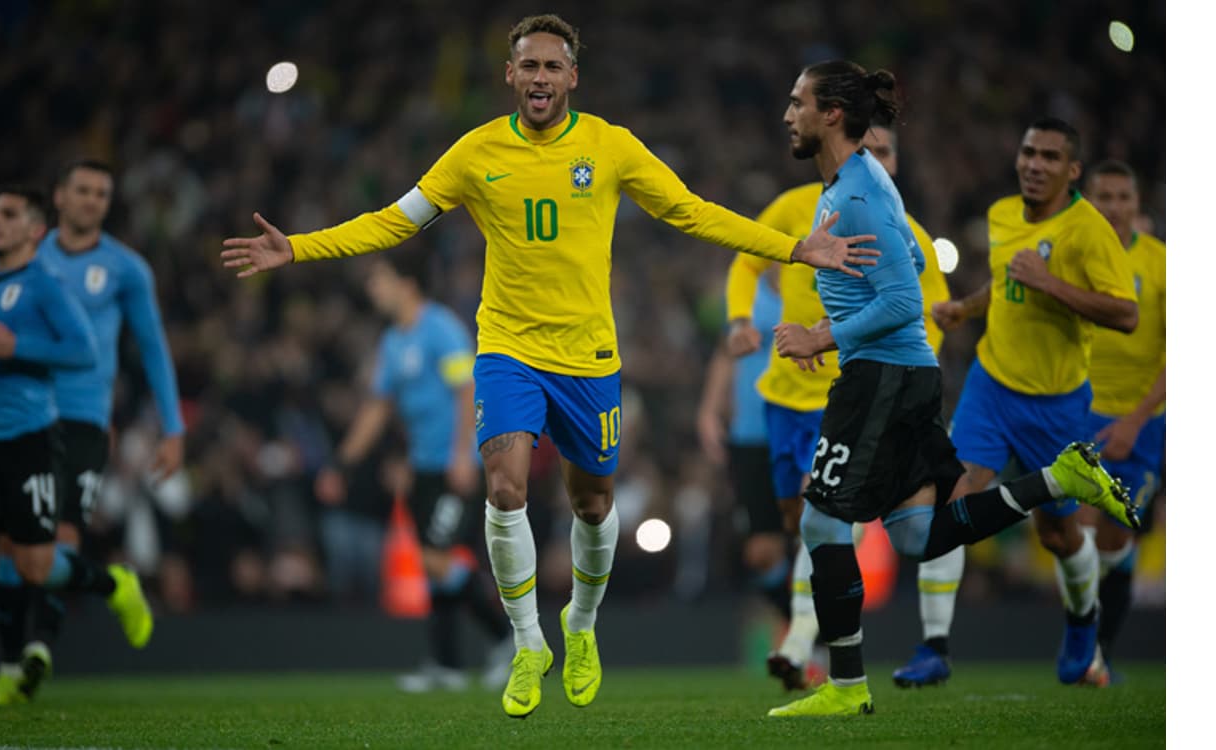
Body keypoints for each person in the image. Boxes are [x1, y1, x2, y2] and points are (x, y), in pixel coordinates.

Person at [221, 14, 880, 719]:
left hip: (590, 355)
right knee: (504, 490)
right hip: (507, 348)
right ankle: (530, 641)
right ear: (510, 75)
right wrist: (300, 247)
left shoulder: (611, 145)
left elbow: (689, 211)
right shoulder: (474, 153)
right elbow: (394, 219)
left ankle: (581, 627)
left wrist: (792, 248)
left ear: (572, 77)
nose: (539, 78)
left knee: (593, 502)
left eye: (551, 67)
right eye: (527, 66)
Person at [763, 61, 1137, 719]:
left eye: (798, 103)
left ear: (832, 116)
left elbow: (905, 299)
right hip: (904, 376)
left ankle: (845, 688)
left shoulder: (853, 194)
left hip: (880, 377)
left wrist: (823, 336)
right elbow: (907, 258)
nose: (787, 115)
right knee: (914, 537)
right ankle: (1057, 481)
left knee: (823, 518)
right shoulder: (860, 183)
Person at [723, 123, 959, 690]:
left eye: (882, 153)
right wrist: (738, 319)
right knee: (792, 524)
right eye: (863, 149)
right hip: (783, 398)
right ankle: (813, 631)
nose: (870, 160)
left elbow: (932, 319)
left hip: (852, 397)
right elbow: (746, 260)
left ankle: (807, 640)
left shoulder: (908, 233)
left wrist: (892, 379)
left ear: (894, 166)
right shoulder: (800, 205)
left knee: (822, 515)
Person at [929, 118, 1142, 686]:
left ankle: (1082, 623)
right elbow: (1006, 283)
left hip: (1057, 404)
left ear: (1072, 171)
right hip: (992, 385)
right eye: (1028, 152)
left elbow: (1126, 314)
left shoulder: (1087, 231)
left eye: (1050, 156)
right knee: (956, 504)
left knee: (1057, 534)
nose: (1034, 164)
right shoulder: (1002, 215)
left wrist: (1051, 283)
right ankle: (932, 648)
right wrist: (965, 310)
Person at [0, 160, 170, 701]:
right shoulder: (17, 256)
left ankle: (40, 647)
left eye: (102, 194)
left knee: (58, 537)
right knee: (12, 547)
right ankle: (12, 660)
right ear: (59, 198)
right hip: (26, 415)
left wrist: (172, 429)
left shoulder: (126, 269)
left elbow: (152, 348)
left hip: (83, 419)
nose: (91, 201)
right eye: (82, 190)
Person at [315, 247, 514, 692]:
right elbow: (378, 409)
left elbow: (468, 392)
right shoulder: (393, 341)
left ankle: (511, 641)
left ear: (407, 284)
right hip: (424, 468)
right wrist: (342, 463)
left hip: (453, 465)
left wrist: (463, 455)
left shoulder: (441, 328)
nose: (373, 288)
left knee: (435, 558)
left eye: (379, 279)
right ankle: (448, 664)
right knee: (434, 567)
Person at [0, 186, 101, 708]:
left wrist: (18, 347)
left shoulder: (45, 286)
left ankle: (111, 585)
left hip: (30, 442)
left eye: (9, 214)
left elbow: (83, 351)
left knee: (34, 568)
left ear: (34, 231)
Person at [1079, 159, 1165, 684]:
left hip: (1143, 420)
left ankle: (1099, 649)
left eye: (1122, 197)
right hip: (1077, 410)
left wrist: (1135, 419)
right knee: (1076, 530)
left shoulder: (1162, 264)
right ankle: (1082, 650)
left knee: (1114, 542)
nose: (1113, 207)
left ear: (1137, 204)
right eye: (1103, 197)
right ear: (1088, 202)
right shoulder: (1073, 256)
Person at [696, 274, 787, 644]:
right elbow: (724, 353)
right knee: (761, 551)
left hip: (803, 428)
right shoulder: (746, 293)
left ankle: (816, 638)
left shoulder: (818, 284)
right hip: (750, 434)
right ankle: (803, 628)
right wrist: (709, 412)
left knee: (814, 532)